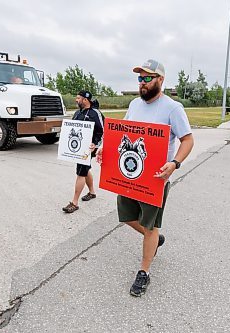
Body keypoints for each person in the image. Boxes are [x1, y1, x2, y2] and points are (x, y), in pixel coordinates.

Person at [97, 59, 194, 297]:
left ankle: (144, 271)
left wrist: (174, 163)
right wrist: (103, 148)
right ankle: (155, 240)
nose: (142, 82)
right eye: (140, 78)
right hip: (129, 176)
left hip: (155, 178)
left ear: (160, 80)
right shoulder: (133, 104)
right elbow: (122, 134)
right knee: (127, 217)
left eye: (147, 78)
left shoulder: (173, 108)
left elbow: (188, 140)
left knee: (150, 225)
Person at [62, 90, 104, 213]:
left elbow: (102, 131)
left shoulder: (95, 113)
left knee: (81, 171)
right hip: (77, 148)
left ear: (86, 100)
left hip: (89, 148)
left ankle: (74, 203)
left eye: (78, 98)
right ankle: (92, 192)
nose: (76, 100)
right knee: (85, 169)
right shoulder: (77, 113)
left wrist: (96, 144)